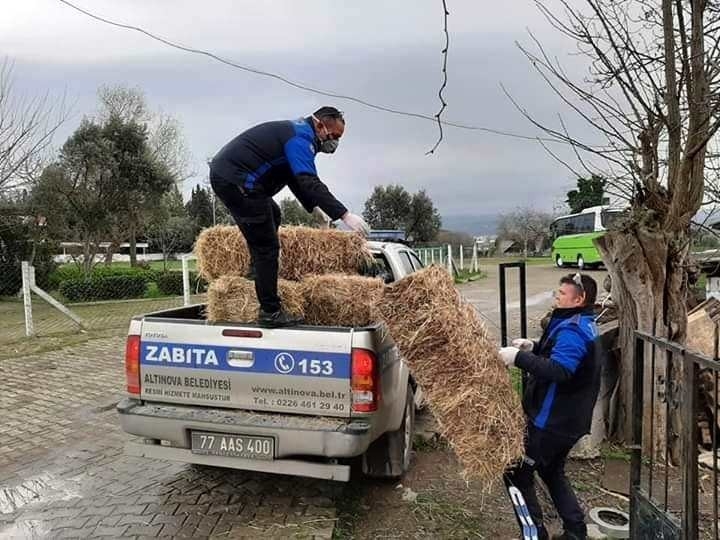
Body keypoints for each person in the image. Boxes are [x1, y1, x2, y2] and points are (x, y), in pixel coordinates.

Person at [209, 107, 370, 327]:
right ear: (320, 124)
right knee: (266, 247)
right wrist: (344, 214)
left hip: (235, 177)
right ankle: (270, 312)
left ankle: (257, 273)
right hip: (237, 179)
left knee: (273, 214)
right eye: (333, 136)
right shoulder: (300, 139)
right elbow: (307, 180)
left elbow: (293, 178)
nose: (334, 142)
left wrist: (314, 208)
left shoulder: (299, 132)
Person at [499, 273, 602, 540]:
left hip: (552, 422)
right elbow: (558, 353)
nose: (556, 297)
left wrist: (519, 358)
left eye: (562, 294)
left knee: (516, 474)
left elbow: (560, 370)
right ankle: (576, 530)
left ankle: (534, 535)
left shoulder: (574, 330)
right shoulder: (581, 322)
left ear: (579, 299)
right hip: (568, 421)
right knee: (550, 470)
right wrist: (533, 346)